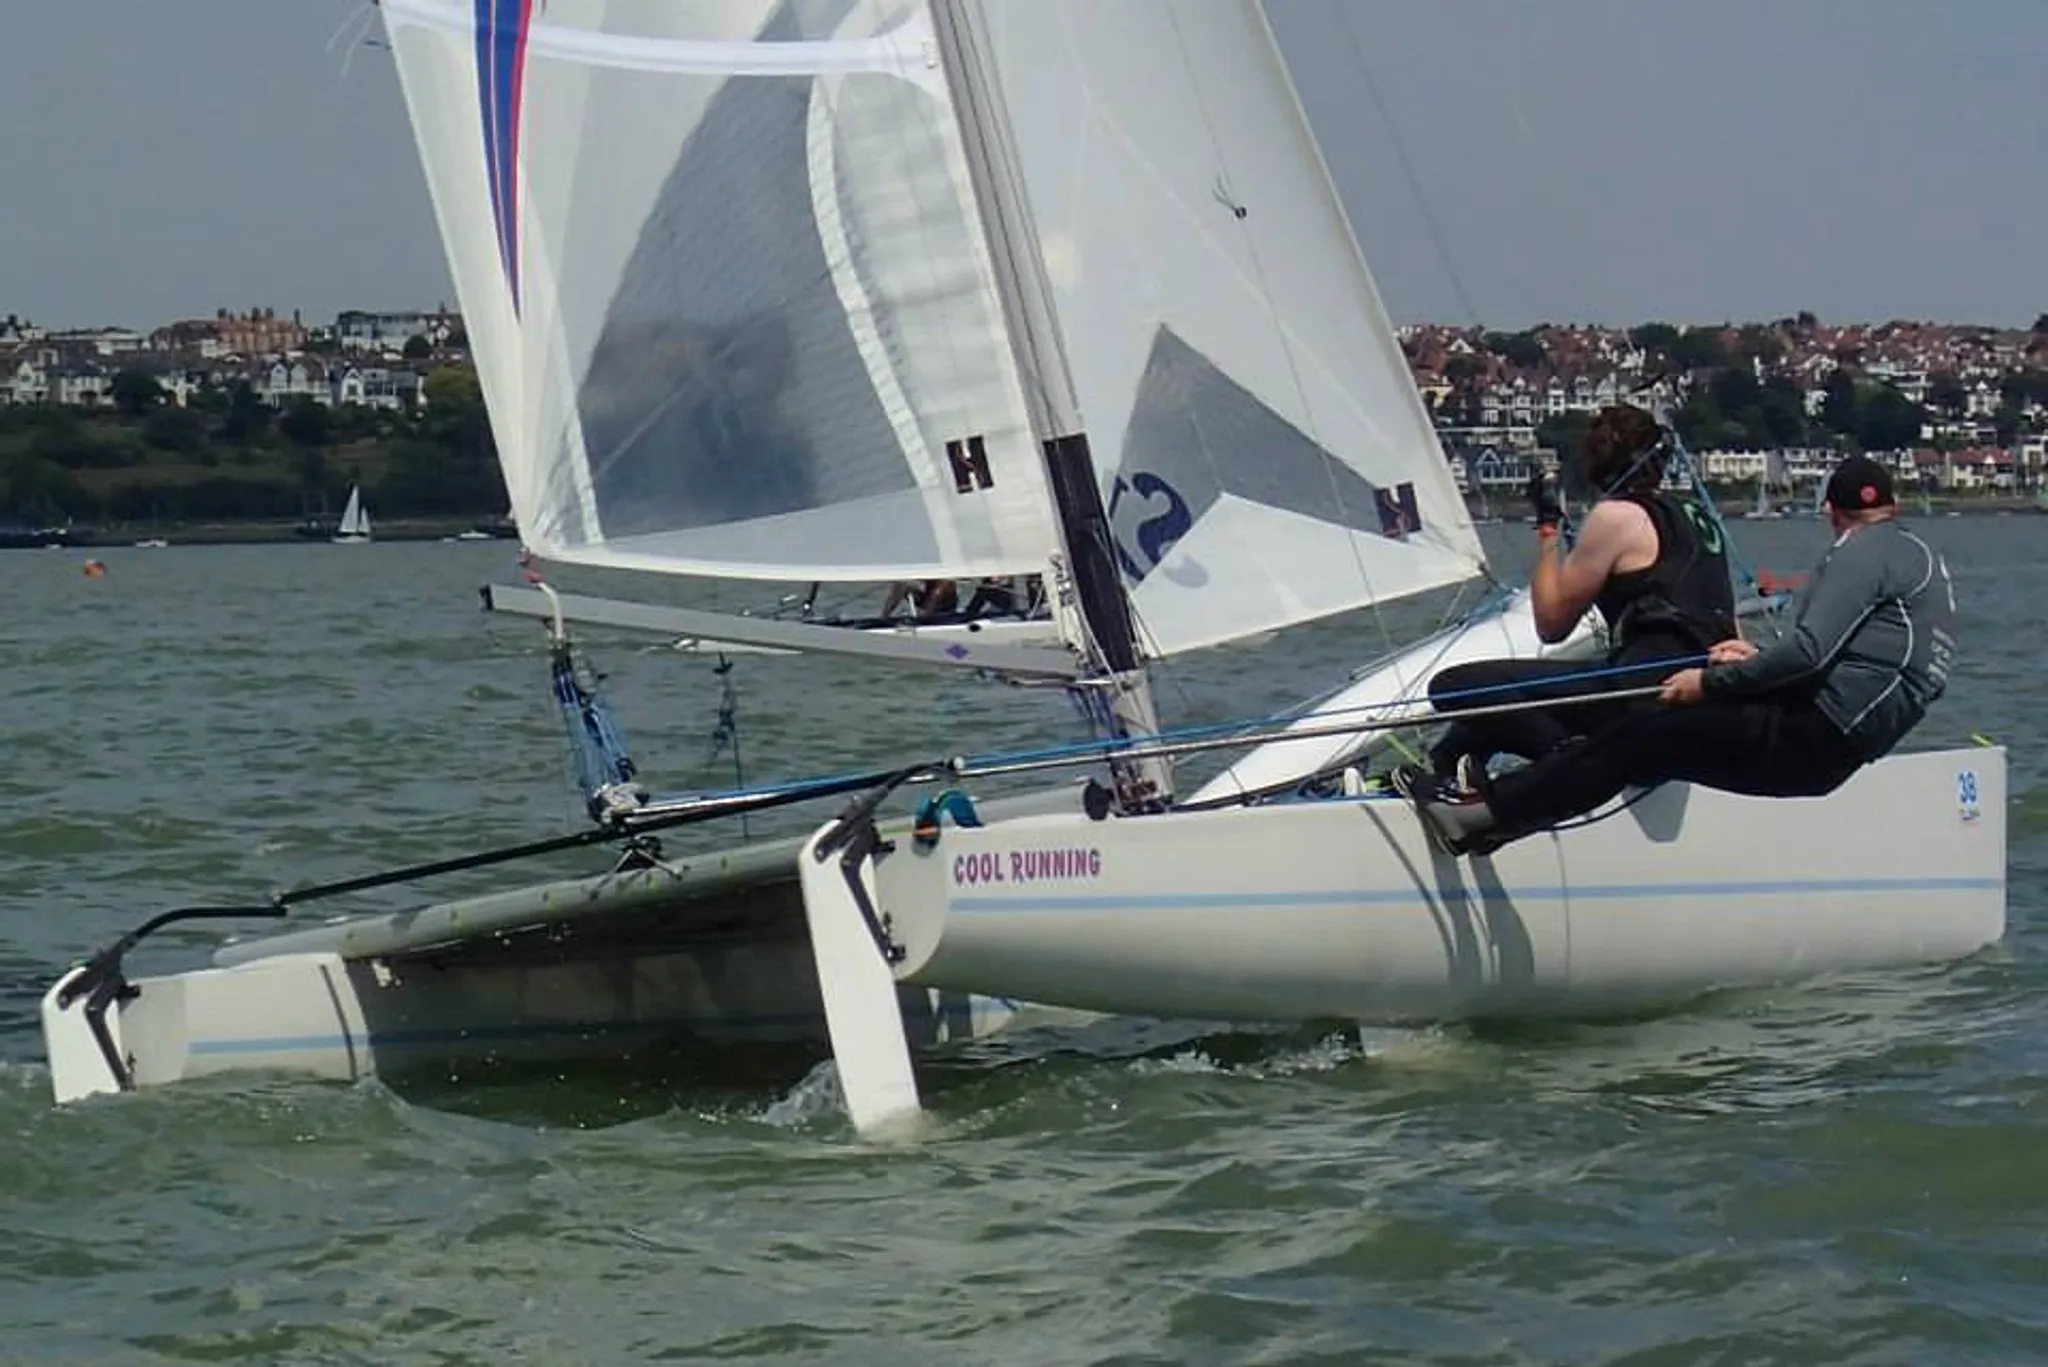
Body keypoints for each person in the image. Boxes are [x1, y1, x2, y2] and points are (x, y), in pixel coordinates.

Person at [1407, 454, 1957, 857]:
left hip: (1810, 735)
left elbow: (1812, 652)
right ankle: (1499, 812)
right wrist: (1759, 658)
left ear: (1832, 514)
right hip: (1838, 745)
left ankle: (1485, 814)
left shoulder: (1861, 551)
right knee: (1645, 747)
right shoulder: (1918, 559)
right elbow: (1856, 661)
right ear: (1895, 506)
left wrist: (1708, 685)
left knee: (1645, 732)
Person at [1395, 404, 1735, 799]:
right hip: (1696, 694)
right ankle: (1442, 771)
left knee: (1454, 686)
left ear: (1595, 463)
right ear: (1661, 461)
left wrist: (1547, 528)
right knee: (1494, 710)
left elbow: (1552, 624)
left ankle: (1570, 763)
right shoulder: (1699, 516)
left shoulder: (1616, 516)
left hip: (1636, 697)